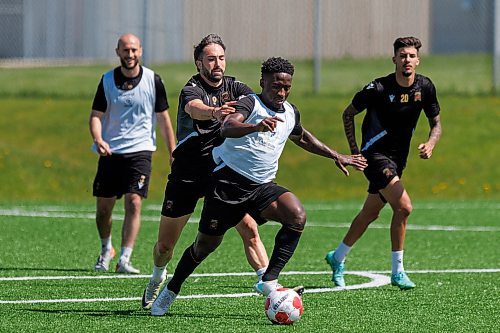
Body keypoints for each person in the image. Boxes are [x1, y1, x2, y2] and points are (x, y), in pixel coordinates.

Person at [151, 56, 367, 316]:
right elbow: (227, 127)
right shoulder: (249, 103)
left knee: (296, 215)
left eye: (287, 87)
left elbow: (302, 136)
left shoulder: (289, 111)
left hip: (262, 188)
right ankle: (171, 289)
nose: (281, 92)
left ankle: (269, 280)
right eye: (276, 86)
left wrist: (336, 155)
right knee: (204, 246)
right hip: (227, 186)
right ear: (262, 82)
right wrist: (254, 126)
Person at [141, 34, 270, 310]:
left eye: (221, 58)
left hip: (221, 173)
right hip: (187, 174)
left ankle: (270, 286)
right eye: (211, 59)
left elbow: (257, 105)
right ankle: (157, 276)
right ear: (199, 63)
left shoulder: (237, 88)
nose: (217, 64)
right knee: (164, 247)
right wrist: (215, 112)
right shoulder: (192, 89)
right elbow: (195, 109)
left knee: (248, 227)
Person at [325, 36, 442, 290]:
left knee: (370, 212)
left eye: (411, 56)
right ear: (394, 60)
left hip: (398, 159)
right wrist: (355, 152)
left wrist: (431, 144)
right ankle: (397, 271)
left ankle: (337, 257)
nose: (407, 60)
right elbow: (348, 114)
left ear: (418, 60)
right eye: (402, 56)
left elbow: (436, 124)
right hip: (374, 155)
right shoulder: (378, 88)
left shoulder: (425, 87)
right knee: (404, 207)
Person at [89, 33, 176, 274]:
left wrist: (173, 151)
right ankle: (107, 249)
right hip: (110, 151)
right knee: (104, 209)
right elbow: (96, 116)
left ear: (141, 51)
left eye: (134, 50)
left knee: (134, 201)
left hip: (140, 150)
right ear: (118, 51)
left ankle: (125, 258)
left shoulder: (152, 80)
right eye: (125, 50)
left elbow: (164, 119)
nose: (130, 55)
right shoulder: (106, 80)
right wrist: (98, 139)